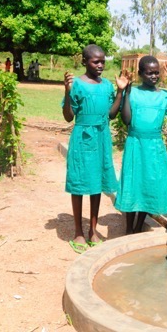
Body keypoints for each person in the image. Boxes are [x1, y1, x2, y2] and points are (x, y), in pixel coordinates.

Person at [62, 44, 128, 254]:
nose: (100, 65)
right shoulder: (77, 85)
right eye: (95, 61)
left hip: (101, 138)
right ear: (84, 62)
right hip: (82, 138)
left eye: (103, 62)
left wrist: (119, 92)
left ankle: (93, 230)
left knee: (97, 184)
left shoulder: (107, 85)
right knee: (80, 183)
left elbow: (110, 114)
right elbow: (68, 116)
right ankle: (78, 232)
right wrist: (67, 91)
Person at [116, 56, 167, 235]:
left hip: (154, 147)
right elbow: (126, 119)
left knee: (148, 184)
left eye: (156, 73)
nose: (154, 76)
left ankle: (138, 227)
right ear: (140, 74)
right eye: (149, 73)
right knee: (132, 183)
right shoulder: (134, 93)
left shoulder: (163, 96)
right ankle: (129, 227)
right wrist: (126, 93)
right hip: (135, 144)